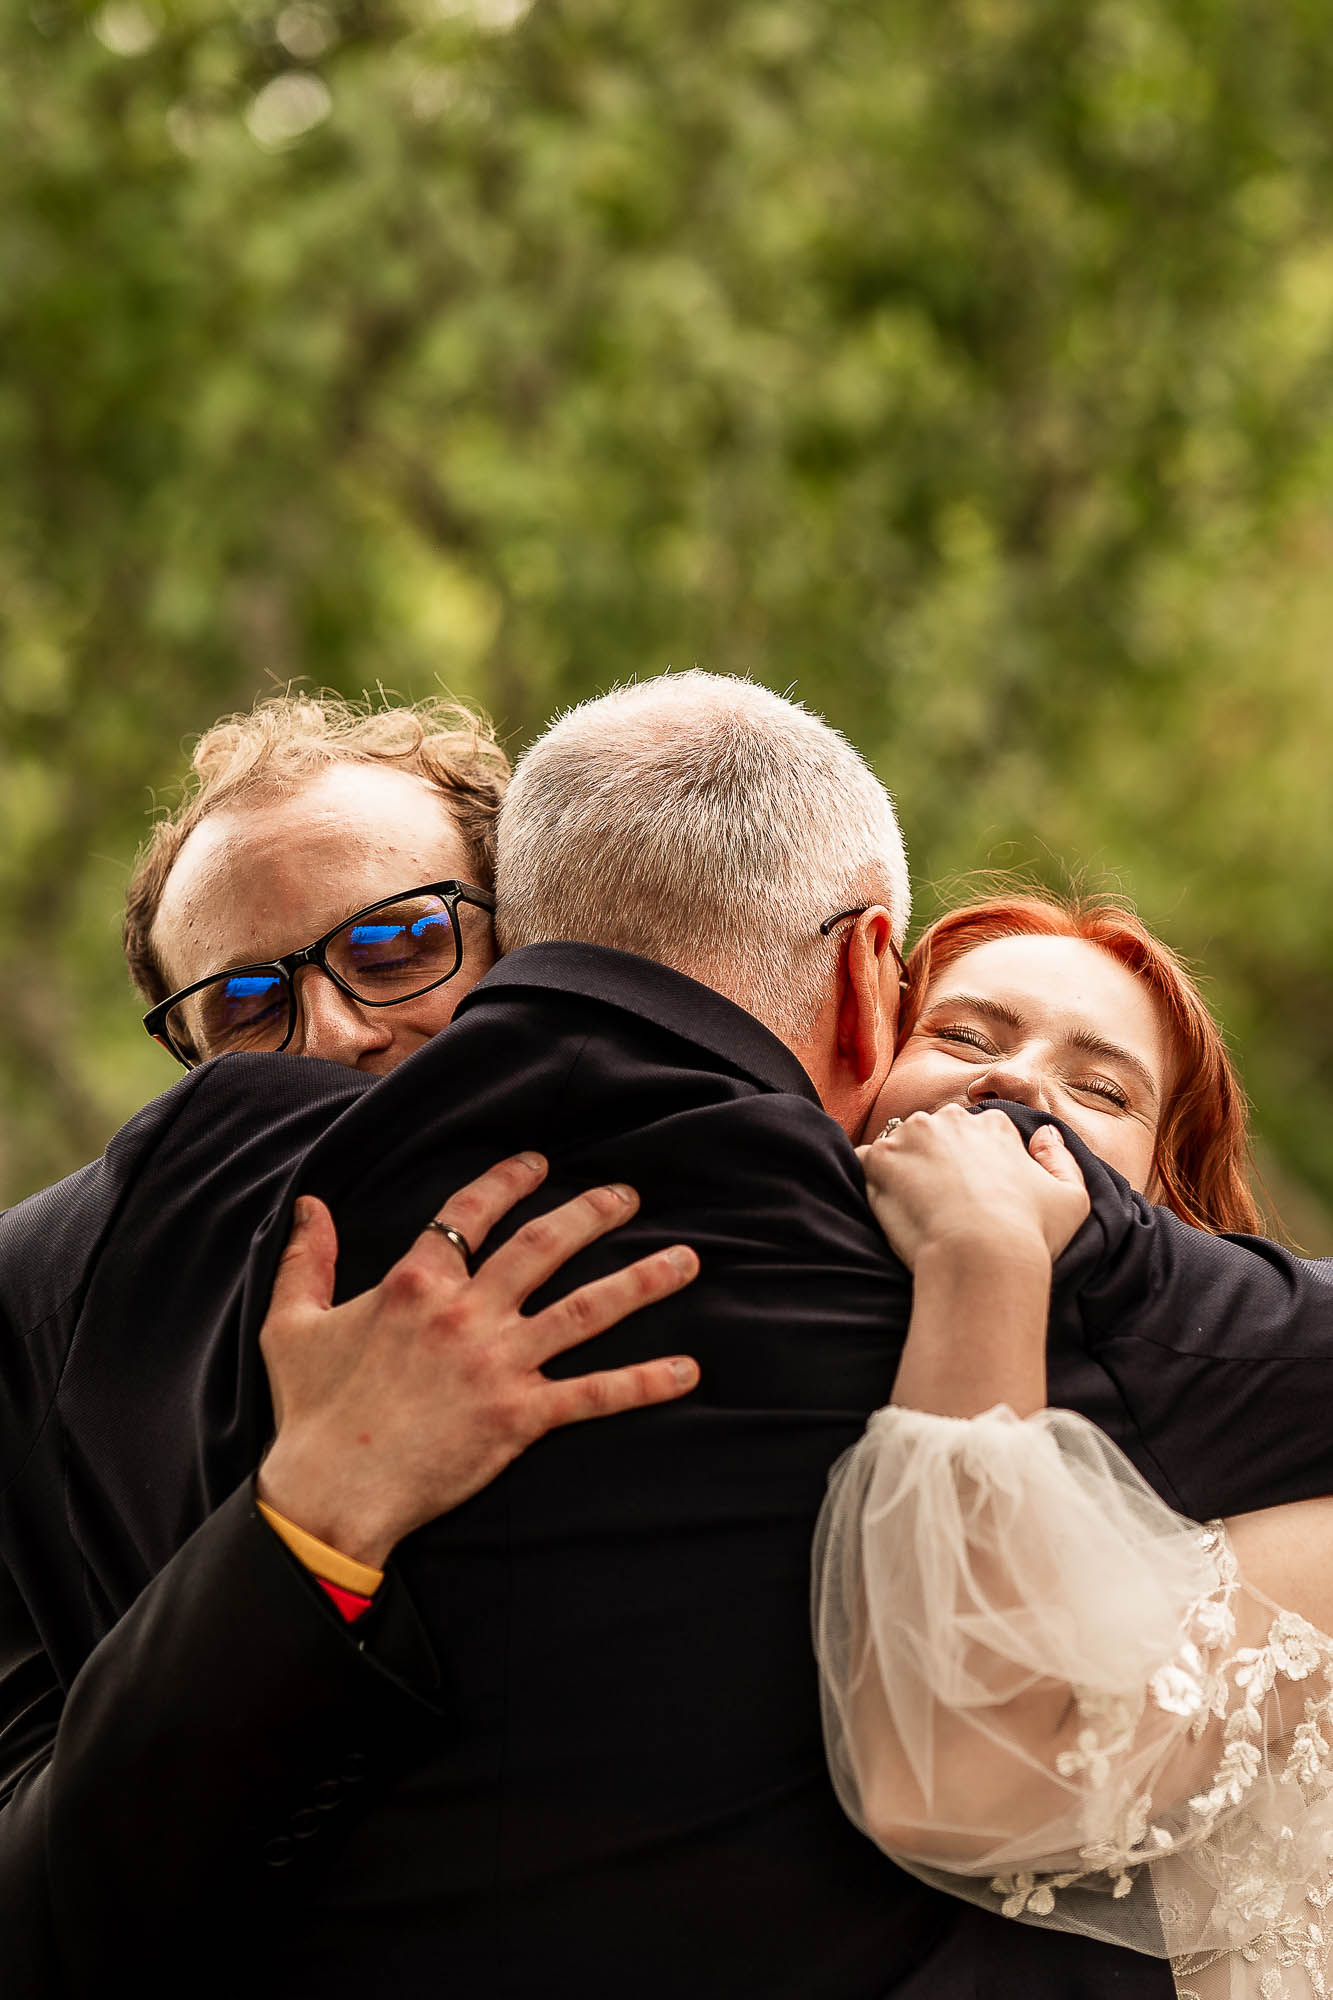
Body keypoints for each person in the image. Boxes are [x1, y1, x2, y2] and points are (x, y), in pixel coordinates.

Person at [5, 674, 1333, 1998]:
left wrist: (1015, 1250)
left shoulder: (887, 1253)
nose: (336, 1035)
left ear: (547, 933)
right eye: (243, 1015)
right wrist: (311, 1517)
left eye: (398, 944)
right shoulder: (108, 1303)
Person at [814, 892, 1333, 1998]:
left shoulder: (1302, 1517)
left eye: (1102, 1089)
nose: (1018, 1082)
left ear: (1162, 1201)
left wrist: (983, 1251)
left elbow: (957, 1779)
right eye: (960, 1034)